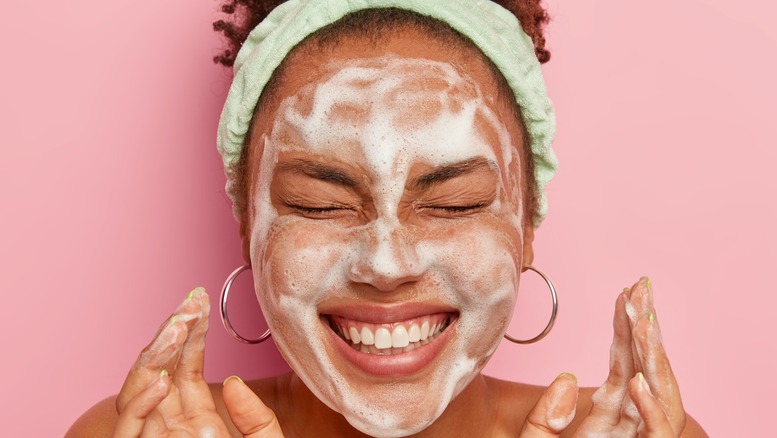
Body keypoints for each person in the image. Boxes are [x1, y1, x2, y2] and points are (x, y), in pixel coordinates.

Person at [67, 0, 708, 436]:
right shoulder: (132, 431)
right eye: (320, 204)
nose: (386, 263)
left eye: (453, 204)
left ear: (525, 226)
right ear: (250, 225)